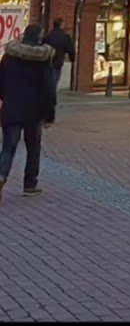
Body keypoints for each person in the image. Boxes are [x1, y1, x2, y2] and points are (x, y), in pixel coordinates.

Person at [0, 24, 57, 200]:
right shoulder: (43, 59)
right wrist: (49, 115)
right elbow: (49, 88)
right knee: (33, 147)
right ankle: (30, 183)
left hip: (11, 107)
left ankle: (1, 175)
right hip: (34, 110)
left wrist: (6, 97)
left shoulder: (9, 56)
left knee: (8, 147)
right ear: (39, 37)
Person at [43, 18, 75, 90]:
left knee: (48, 82)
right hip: (58, 62)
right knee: (55, 81)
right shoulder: (65, 37)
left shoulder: (48, 36)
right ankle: (51, 97)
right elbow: (70, 50)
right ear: (62, 25)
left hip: (47, 62)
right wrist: (72, 59)